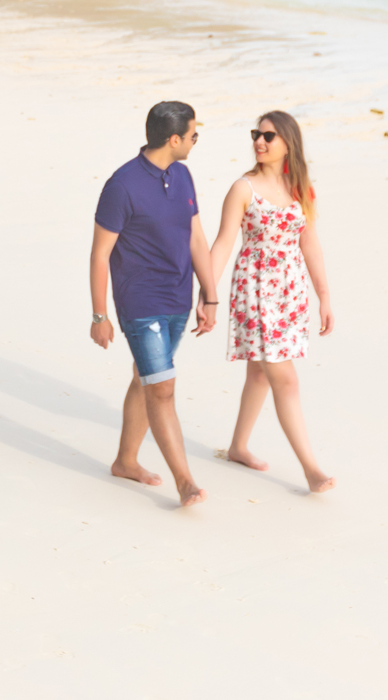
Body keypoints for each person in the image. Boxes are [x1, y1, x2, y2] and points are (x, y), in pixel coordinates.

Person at [89, 100, 217, 507]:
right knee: (162, 389)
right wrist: (99, 315)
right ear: (174, 138)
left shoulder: (182, 175)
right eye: (194, 135)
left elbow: (196, 237)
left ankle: (125, 461)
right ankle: (185, 483)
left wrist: (209, 294)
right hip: (140, 301)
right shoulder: (121, 186)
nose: (196, 141)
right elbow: (99, 254)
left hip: (178, 298)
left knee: (146, 380)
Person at [209, 109, 335, 493]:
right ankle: (311, 469)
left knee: (261, 373)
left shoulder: (301, 188)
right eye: (256, 134)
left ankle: (238, 447)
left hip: (290, 292)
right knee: (286, 378)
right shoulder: (242, 189)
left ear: (288, 144)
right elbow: (224, 243)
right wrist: (207, 295)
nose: (259, 142)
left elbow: (309, 242)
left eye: (269, 136)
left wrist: (324, 295)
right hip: (256, 290)